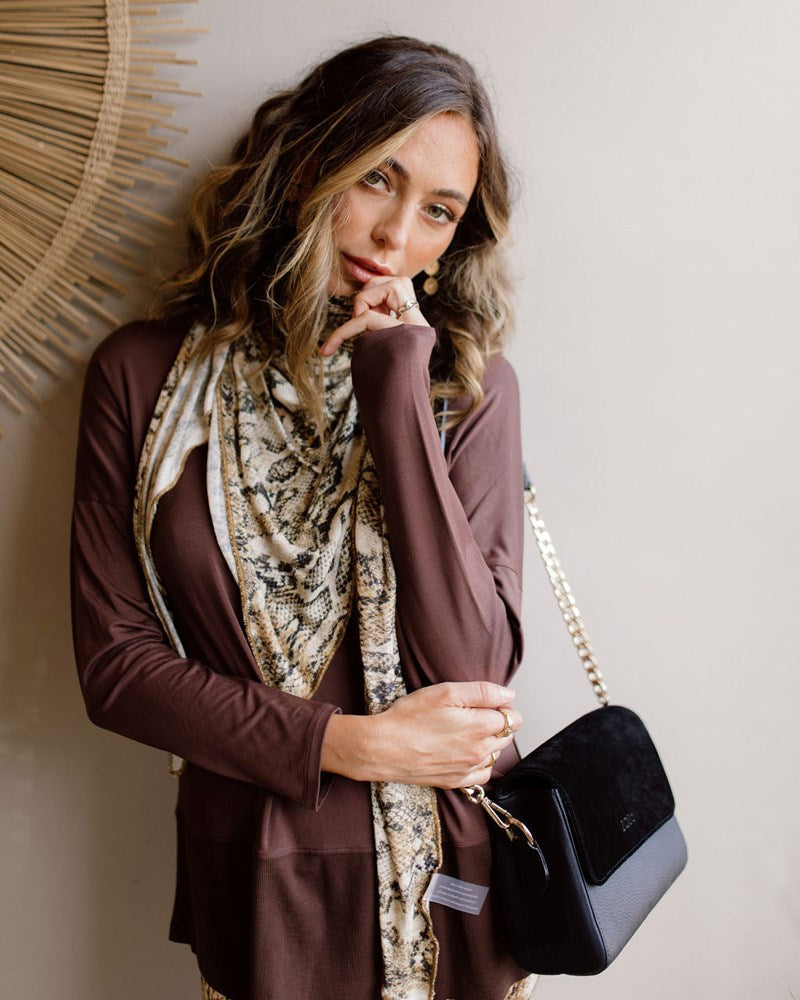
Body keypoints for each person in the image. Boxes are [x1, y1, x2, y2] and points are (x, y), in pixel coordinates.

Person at [71, 35, 535, 1000]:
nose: (393, 235)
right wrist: (349, 745)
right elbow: (117, 669)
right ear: (307, 164)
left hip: (453, 887)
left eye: (438, 210)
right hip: (261, 878)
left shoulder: (467, 390)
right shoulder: (144, 376)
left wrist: (397, 391)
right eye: (377, 177)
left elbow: (474, 664)